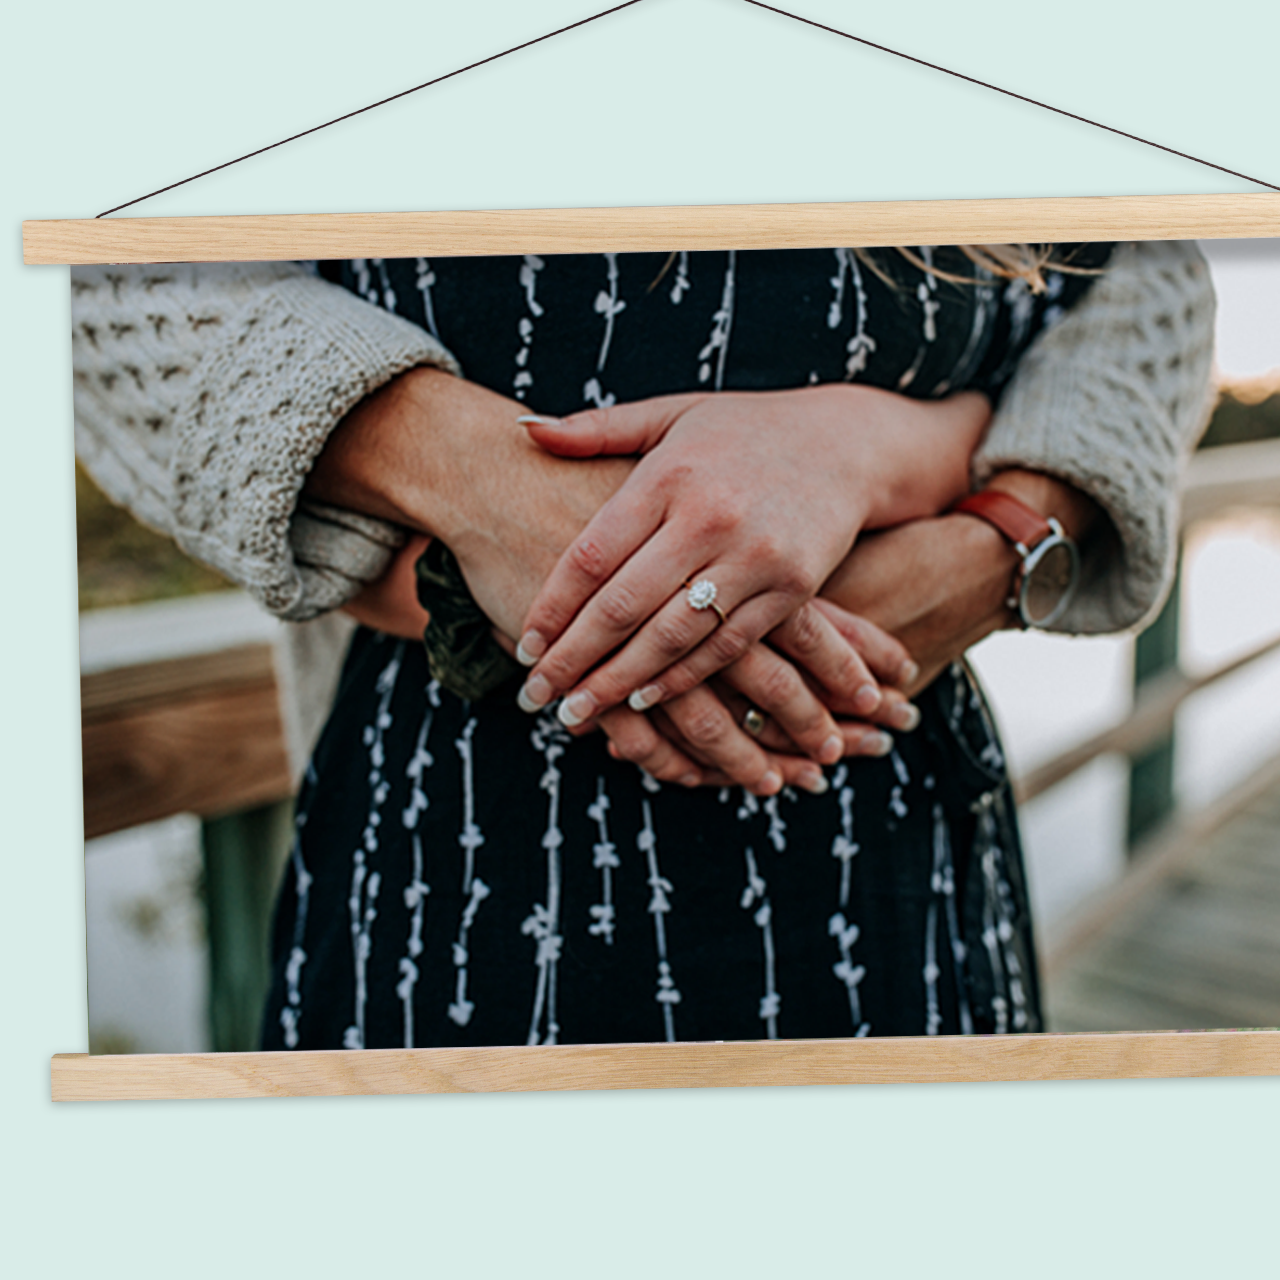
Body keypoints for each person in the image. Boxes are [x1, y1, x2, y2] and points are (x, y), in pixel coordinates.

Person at [71, 239, 1215, 1048]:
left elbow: (1145, 272)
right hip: (434, 868)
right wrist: (464, 471)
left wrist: (974, 514)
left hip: (891, 840)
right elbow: (103, 266)